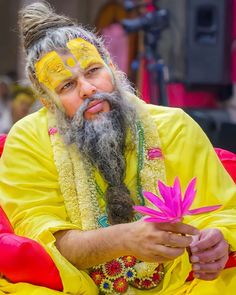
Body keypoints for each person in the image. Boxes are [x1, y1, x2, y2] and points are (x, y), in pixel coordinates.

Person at [0, 2, 235, 294]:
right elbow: (41, 238)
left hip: (177, 283)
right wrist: (123, 239)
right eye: (67, 86)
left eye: (94, 70)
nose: (88, 88)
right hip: (79, 287)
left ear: (112, 66)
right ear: (48, 102)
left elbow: (223, 211)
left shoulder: (175, 126)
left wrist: (216, 241)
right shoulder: (28, 139)